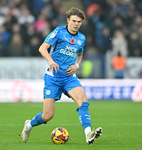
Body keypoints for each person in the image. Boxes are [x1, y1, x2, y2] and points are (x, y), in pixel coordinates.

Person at [21, 7, 102, 144]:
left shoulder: (81, 38)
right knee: (48, 116)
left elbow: (80, 54)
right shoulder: (59, 32)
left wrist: (76, 65)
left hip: (69, 77)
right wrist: (51, 61)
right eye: (74, 21)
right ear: (68, 20)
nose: (76, 24)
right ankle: (29, 125)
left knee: (83, 100)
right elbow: (42, 48)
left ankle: (88, 134)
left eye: (79, 22)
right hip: (53, 77)